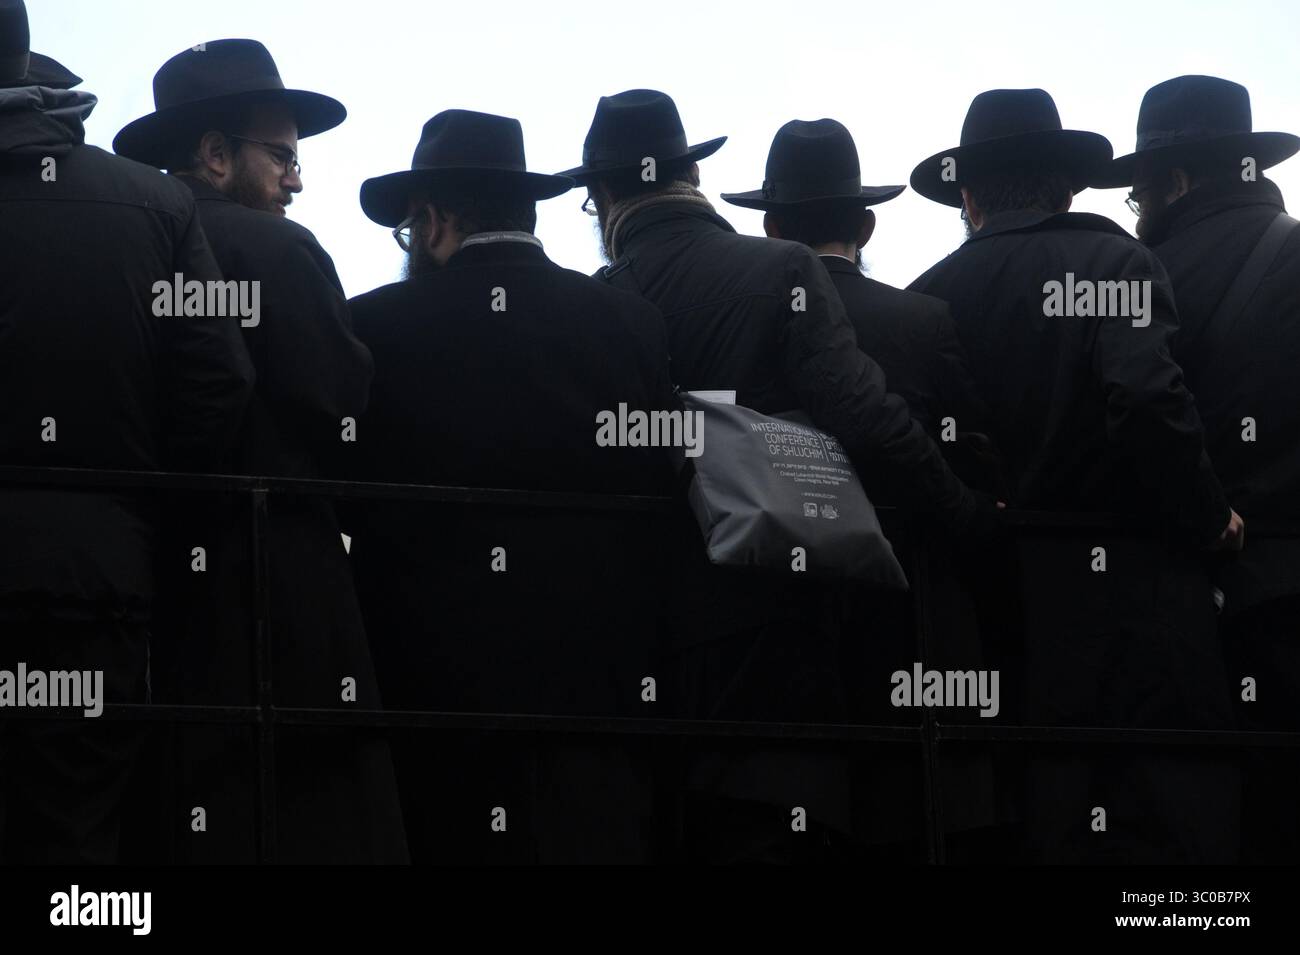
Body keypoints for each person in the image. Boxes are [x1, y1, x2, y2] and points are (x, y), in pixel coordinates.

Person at [566, 89, 999, 862]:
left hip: (644, 636)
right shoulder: (779, 270)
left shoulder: (598, 303)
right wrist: (964, 511)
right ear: (689, 175)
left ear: (602, 198)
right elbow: (866, 415)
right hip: (774, 617)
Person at [908, 87, 1242, 863]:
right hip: (1131, 609)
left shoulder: (927, 295)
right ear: (1066, 186)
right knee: (1163, 836)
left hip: (987, 612)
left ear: (967, 197)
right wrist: (1207, 515)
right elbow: (1145, 397)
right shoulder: (1116, 261)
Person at [343, 109, 678, 863]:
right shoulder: (630, 320)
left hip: (430, 688)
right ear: (528, 210)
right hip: (600, 687)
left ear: (432, 220)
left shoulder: (372, 326)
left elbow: (346, 487)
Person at [114, 38, 406, 863]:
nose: (298, 178)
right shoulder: (276, 247)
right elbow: (341, 399)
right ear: (215, 155)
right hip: (279, 572)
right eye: (281, 155)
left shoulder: (128, 241)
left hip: (148, 571)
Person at [0, 0, 254, 863]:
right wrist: (142, 518)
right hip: (91, 577)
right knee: (75, 828)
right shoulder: (156, 204)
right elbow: (221, 378)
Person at [1095, 74, 1300, 863]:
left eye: (1140, 195)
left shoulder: (1133, 276)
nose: (1137, 214)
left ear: (1175, 182)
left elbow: (1136, 410)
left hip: (1176, 610)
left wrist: (1206, 516)